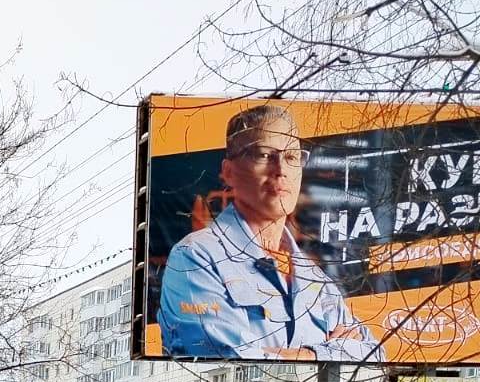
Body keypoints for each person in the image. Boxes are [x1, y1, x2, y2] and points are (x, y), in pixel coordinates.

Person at [157, 103, 381, 362]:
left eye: (292, 157)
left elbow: (376, 354)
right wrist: (327, 353)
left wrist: (303, 355)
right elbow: (224, 358)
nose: (281, 170)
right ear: (229, 172)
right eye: (264, 155)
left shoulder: (313, 278)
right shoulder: (195, 258)